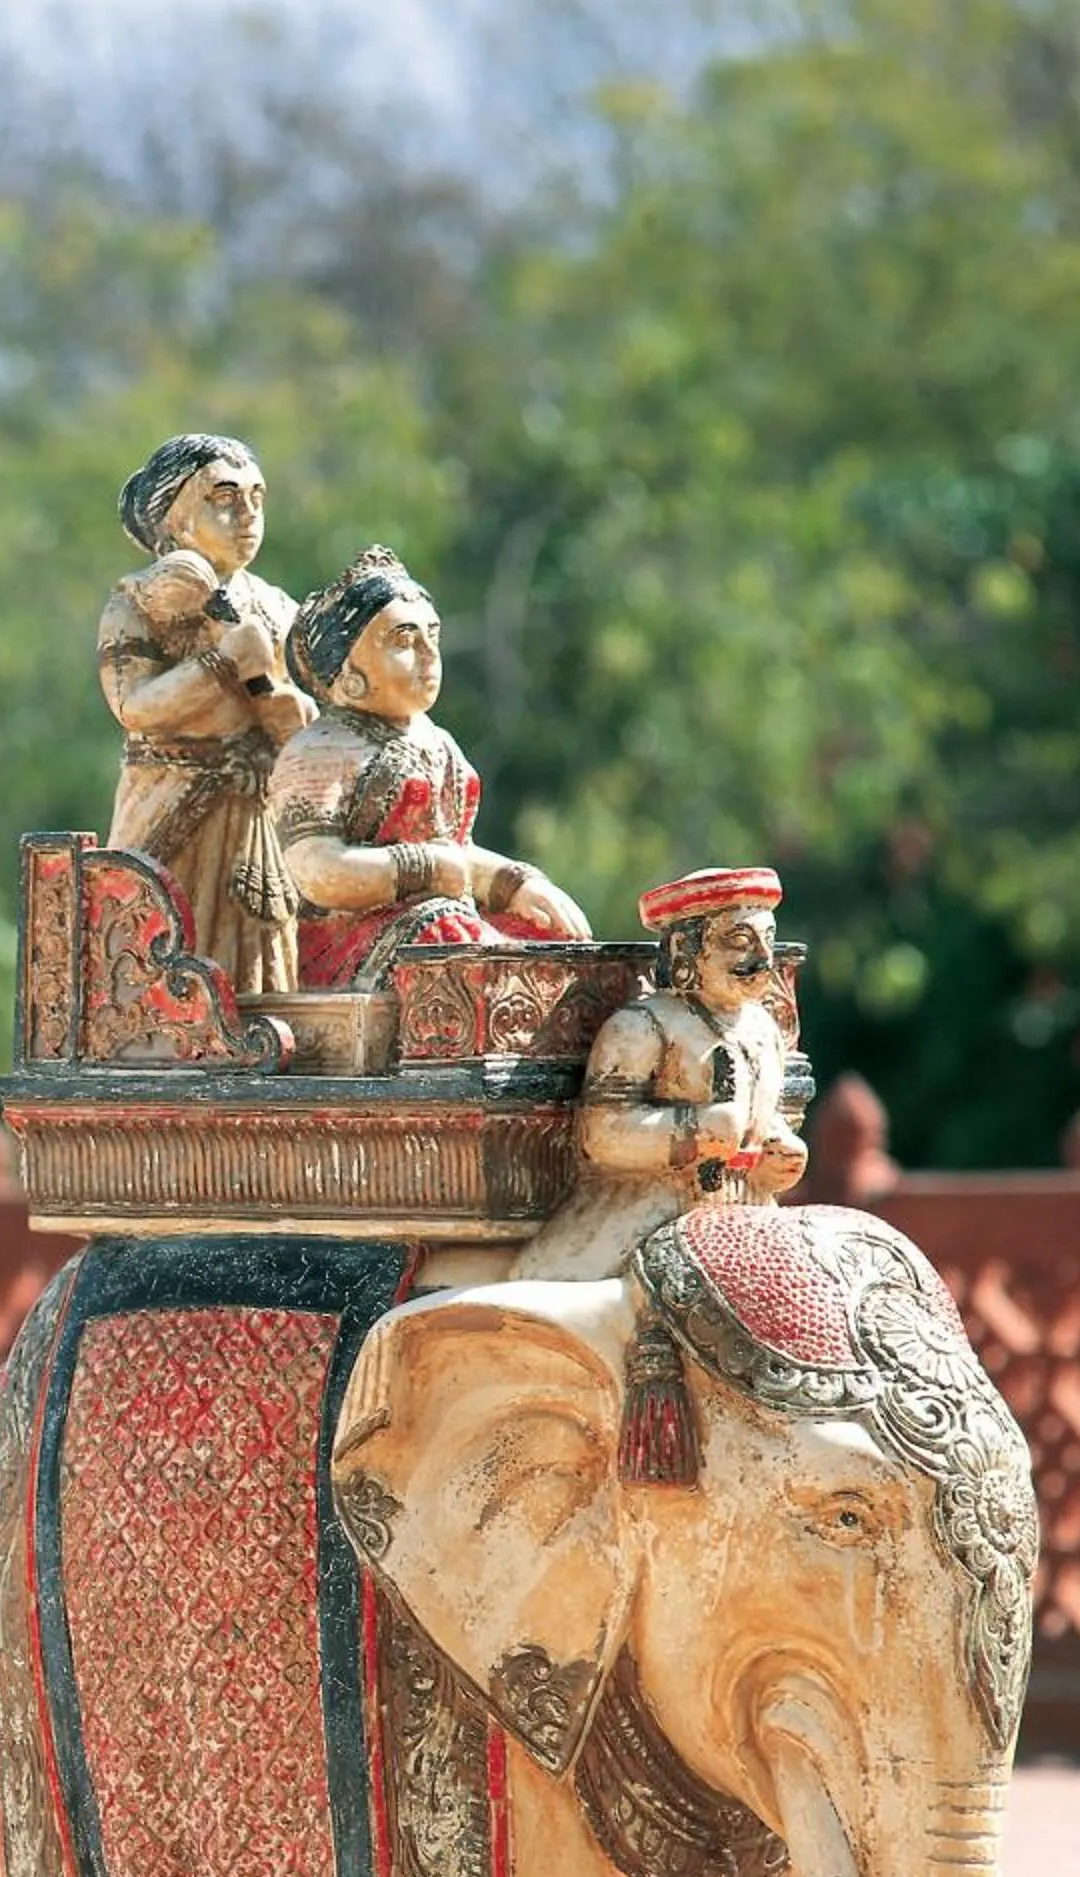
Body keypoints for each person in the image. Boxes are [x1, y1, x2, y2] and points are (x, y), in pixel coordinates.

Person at [266, 544, 588, 987]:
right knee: (454, 946)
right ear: (347, 667)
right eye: (404, 641)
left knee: (556, 944)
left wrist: (516, 884)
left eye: (432, 637)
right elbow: (316, 870)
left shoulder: (439, 743)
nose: (429, 655)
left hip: (444, 920)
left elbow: (459, 855)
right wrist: (421, 868)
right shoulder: (318, 751)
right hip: (349, 948)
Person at [98, 434, 319, 992]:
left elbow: (302, 713)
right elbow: (135, 707)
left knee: (261, 967)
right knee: (154, 955)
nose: (246, 515)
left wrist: (298, 717)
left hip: (258, 815)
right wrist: (221, 663)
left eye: (256, 498)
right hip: (169, 804)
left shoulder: (279, 607)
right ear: (172, 517)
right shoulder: (138, 602)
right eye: (224, 498)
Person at [518, 867, 809, 1279]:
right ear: (684, 948)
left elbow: (759, 1114)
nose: (762, 959)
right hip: (651, 1209)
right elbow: (601, 1134)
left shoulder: (763, 1028)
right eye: (740, 942)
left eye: (769, 941)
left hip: (749, 1209)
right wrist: (696, 1130)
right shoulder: (642, 1026)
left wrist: (777, 1148)